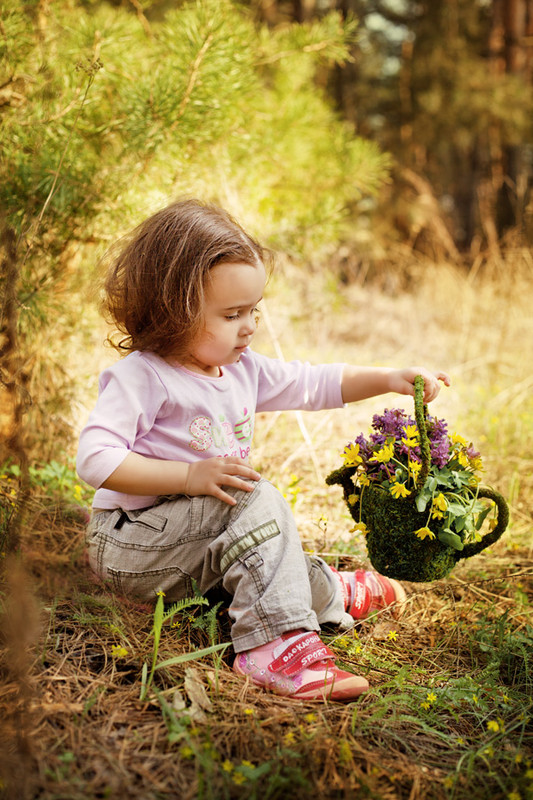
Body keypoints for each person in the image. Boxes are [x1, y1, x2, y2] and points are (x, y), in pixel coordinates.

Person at [77, 199, 450, 702]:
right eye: (232, 314)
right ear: (172, 311)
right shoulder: (144, 377)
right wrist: (187, 478)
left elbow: (314, 383)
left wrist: (387, 378)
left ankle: (328, 590)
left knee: (269, 554)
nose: (249, 326)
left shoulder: (242, 367)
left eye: (254, 310)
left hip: (192, 550)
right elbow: (94, 461)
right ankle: (275, 649)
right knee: (253, 498)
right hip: (131, 547)